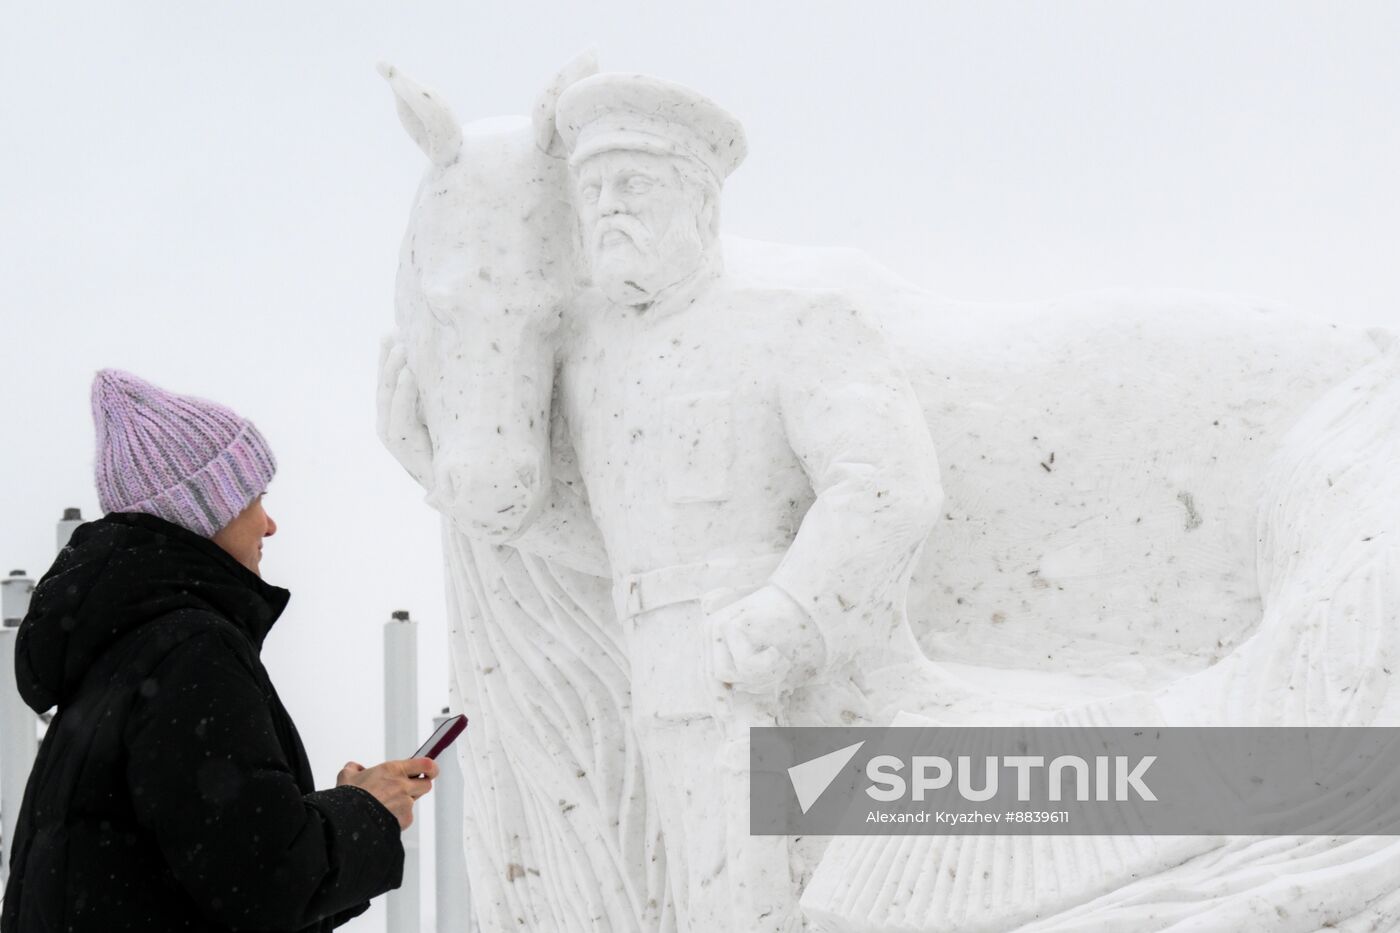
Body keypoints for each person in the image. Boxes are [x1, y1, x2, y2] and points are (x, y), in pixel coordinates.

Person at [545, 74, 943, 931]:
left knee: (796, 902)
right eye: (593, 190)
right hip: (662, 678)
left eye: (635, 185)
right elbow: (613, 540)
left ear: (703, 206)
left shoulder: (794, 324)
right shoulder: (599, 372)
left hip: (791, 679)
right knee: (712, 905)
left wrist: (793, 609)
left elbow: (887, 481)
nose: (608, 208)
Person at [1, 369, 438, 932]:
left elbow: (212, 872)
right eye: (255, 497)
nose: (270, 523)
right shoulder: (188, 654)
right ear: (204, 510)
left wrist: (333, 815)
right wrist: (368, 812)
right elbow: (265, 883)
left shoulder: (115, 657)